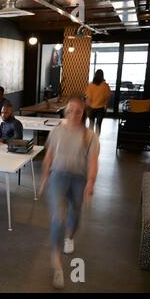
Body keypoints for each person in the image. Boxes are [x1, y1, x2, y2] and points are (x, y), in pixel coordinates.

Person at [39, 96, 100, 289]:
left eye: (78, 111)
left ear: (83, 114)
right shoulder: (57, 131)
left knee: (75, 213)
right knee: (58, 216)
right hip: (58, 176)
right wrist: (45, 177)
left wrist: (90, 183)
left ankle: (69, 237)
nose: (74, 114)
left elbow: (92, 162)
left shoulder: (90, 136)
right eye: (70, 110)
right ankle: (57, 262)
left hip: (79, 179)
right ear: (66, 111)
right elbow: (49, 155)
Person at [85, 69, 111, 136]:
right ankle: (96, 139)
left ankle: (90, 138)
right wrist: (106, 107)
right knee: (98, 125)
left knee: (91, 124)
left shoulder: (90, 85)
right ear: (102, 76)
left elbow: (88, 99)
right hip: (101, 108)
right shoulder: (105, 85)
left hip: (92, 108)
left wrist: (87, 107)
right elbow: (107, 98)